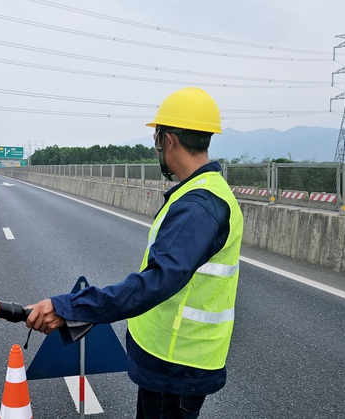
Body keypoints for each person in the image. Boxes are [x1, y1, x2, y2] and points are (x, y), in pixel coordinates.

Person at [26, 87, 244, 419]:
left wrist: (69, 307)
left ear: (168, 140)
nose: (157, 147)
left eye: (157, 139)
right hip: (174, 357)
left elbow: (152, 283)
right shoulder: (203, 192)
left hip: (175, 363)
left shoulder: (199, 205)